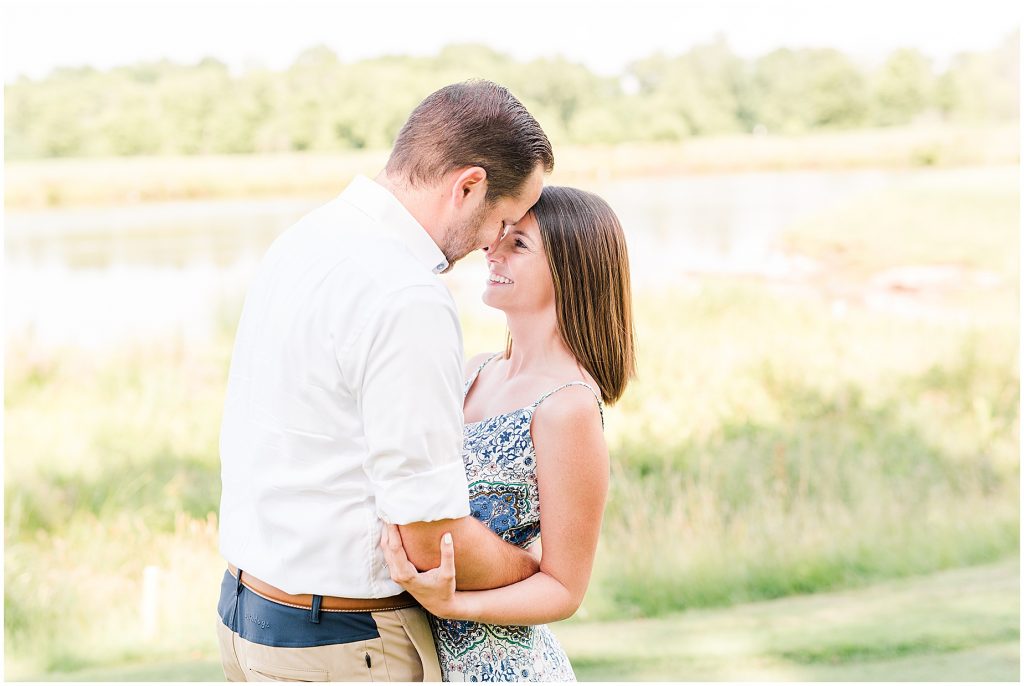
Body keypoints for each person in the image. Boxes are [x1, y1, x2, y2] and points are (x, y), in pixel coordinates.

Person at [216, 80, 554, 682]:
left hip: (248, 617)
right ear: (468, 185)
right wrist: (532, 571)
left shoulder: (305, 239)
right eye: (502, 219)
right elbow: (429, 538)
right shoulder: (407, 294)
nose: (492, 244)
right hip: (344, 645)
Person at [380, 186, 636, 681]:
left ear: (572, 270)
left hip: (500, 668)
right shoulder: (473, 371)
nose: (490, 250)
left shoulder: (567, 407)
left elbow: (564, 588)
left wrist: (455, 606)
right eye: (499, 236)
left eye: (518, 245)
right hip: (409, 651)